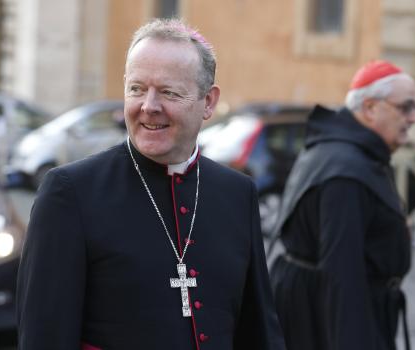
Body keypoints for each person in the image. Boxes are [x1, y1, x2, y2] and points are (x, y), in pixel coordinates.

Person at [16, 18, 285, 350]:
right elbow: (45, 337)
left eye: (169, 92)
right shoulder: (70, 193)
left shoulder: (236, 194)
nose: (149, 106)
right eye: (137, 89)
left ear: (209, 102)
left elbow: (258, 331)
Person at [269, 60, 415, 350]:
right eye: (406, 107)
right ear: (371, 108)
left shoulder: (348, 151)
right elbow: (342, 276)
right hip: (324, 321)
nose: (414, 118)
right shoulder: (345, 171)